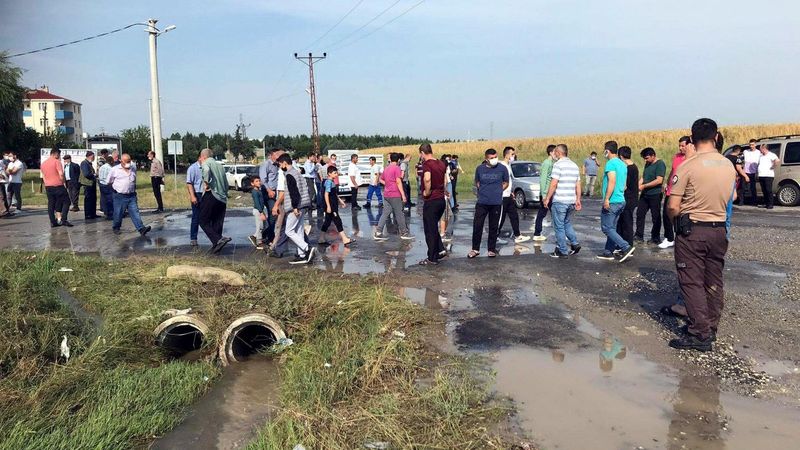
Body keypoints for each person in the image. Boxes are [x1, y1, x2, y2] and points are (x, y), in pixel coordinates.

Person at [666, 118, 736, 351]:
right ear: (716, 137)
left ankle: (700, 333)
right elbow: (730, 198)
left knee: (691, 281)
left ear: (692, 138)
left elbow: (673, 205)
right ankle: (711, 327)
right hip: (718, 229)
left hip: (693, 229)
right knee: (713, 280)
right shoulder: (727, 165)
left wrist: (675, 218)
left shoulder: (689, 166)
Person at [596, 142, 635, 262]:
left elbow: (612, 181)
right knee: (612, 227)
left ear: (607, 151)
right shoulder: (623, 164)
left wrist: (607, 198)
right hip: (621, 200)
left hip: (612, 201)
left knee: (606, 228)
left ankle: (626, 247)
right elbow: (624, 186)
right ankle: (608, 251)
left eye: (604, 151)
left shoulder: (611, 163)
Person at [468, 148, 509, 258]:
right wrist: (483, 191)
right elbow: (477, 182)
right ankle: (475, 249)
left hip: (496, 202)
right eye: (491, 158)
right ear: (486, 159)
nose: (494, 159)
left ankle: (491, 249)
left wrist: (498, 190)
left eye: (495, 157)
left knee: (493, 226)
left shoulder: (502, 168)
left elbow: (506, 182)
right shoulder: (480, 169)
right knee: (477, 226)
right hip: (482, 201)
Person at [543, 144, 581, 258]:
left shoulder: (558, 165)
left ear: (558, 153)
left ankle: (562, 250)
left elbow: (554, 183)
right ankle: (574, 243)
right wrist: (578, 199)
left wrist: (547, 198)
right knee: (566, 223)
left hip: (560, 200)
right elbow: (578, 184)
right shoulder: (574, 165)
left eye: (555, 152)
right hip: (571, 201)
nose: (554, 154)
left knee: (559, 226)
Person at [276, 154, 315, 264]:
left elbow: (294, 192)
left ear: (284, 163)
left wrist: (294, 207)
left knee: (289, 231)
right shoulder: (297, 172)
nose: (280, 166)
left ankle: (307, 248)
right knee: (299, 230)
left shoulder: (289, 174)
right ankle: (302, 255)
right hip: (304, 204)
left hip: (297, 206)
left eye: (280, 164)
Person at [658, 137, 691, 249]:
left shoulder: (691, 158)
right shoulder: (676, 157)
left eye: (683, 145)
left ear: (689, 145)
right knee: (666, 214)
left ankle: (681, 238)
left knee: (681, 215)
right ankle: (669, 238)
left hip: (683, 191)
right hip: (671, 189)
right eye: (679, 145)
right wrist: (667, 183)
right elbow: (673, 171)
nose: (681, 148)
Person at [107, 153, 151, 236]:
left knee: (135, 212)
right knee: (118, 213)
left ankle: (141, 228)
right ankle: (116, 227)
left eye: (129, 161)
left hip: (131, 195)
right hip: (119, 196)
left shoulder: (133, 168)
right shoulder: (115, 170)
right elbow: (109, 181)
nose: (128, 163)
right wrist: (116, 190)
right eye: (126, 161)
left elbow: (134, 179)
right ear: (121, 161)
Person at [419, 143, 447, 266]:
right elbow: (445, 180)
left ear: (422, 153)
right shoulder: (441, 163)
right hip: (441, 199)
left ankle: (432, 258)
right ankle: (440, 250)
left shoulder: (427, 164)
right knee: (434, 227)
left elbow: (427, 179)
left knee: (429, 230)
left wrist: (427, 191)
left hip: (432, 200)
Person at [198, 148, 231, 253]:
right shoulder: (220, 166)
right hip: (222, 198)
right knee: (217, 222)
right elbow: (226, 183)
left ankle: (218, 240)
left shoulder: (206, 163)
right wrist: (225, 193)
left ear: (203, 156)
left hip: (212, 194)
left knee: (203, 220)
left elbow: (206, 170)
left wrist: (206, 182)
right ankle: (216, 246)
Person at [374, 152, 412, 241]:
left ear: (390, 159)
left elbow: (380, 179)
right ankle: (404, 232)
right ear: (398, 160)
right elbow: (398, 182)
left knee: (385, 213)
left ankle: (378, 232)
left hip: (387, 194)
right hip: (395, 194)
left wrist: (387, 184)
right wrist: (403, 195)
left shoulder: (386, 168)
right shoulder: (397, 168)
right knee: (399, 213)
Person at [498, 146, 530, 243]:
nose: (514, 156)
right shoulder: (502, 166)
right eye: (512, 154)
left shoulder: (508, 166)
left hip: (508, 196)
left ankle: (517, 235)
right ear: (507, 155)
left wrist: (511, 191)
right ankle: (494, 236)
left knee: (514, 216)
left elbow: (509, 181)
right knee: (501, 218)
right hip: (502, 196)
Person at [635, 147, 666, 244]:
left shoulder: (660, 164)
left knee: (655, 216)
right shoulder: (647, 164)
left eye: (647, 158)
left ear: (653, 156)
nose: (645, 160)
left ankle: (655, 237)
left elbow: (659, 180)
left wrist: (644, 186)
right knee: (640, 214)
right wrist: (638, 185)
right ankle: (639, 235)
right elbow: (643, 177)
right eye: (644, 158)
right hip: (645, 194)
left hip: (655, 194)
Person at [320, 165, 354, 245]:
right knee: (337, 221)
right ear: (329, 174)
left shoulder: (331, 182)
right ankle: (344, 239)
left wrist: (341, 201)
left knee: (327, 222)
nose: (336, 174)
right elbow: (326, 194)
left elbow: (334, 194)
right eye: (335, 173)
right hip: (331, 206)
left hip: (333, 205)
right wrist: (328, 206)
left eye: (336, 173)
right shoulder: (328, 182)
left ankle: (321, 238)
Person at [259, 148, 284, 246]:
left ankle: (267, 234)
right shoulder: (266, 164)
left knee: (278, 214)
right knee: (273, 213)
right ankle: (269, 236)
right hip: (268, 192)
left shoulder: (278, 165)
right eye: (277, 154)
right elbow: (263, 179)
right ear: (272, 155)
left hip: (277, 192)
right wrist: (269, 190)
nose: (279, 157)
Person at [42, 147, 71, 227]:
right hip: (58, 185)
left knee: (51, 203)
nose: (59, 156)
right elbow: (61, 174)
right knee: (66, 201)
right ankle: (63, 219)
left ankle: (53, 221)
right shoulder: (56, 162)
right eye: (59, 154)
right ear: (56, 154)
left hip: (48, 186)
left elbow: (43, 176)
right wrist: (63, 182)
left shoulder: (43, 163)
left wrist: (47, 183)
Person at [616, 146, 639, 247]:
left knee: (627, 223)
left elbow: (624, 186)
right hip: (632, 198)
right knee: (622, 222)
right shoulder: (634, 166)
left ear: (621, 157)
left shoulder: (627, 169)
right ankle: (620, 244)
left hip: (628, 198)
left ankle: (628, 245)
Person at [533, 145, 556, 241]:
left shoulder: (552, 163)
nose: (556, 154)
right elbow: (543, 180)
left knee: (545, 213)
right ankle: (537, 233)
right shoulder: (547, 163)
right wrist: (544, 195)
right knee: (545, 213)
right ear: (550, 152)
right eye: (555, 152)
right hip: (546, 194)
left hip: (549, 193)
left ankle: (537, 233)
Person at [185, 153, 204, 246]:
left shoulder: (207, 167)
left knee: (208, 217)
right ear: (199, 157)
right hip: (197, 193)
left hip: (206, 194)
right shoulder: (192, 168)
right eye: (204, 158)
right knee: (196, 217)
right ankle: (193, 238)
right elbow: (189, 183)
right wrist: (192, 196)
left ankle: (215, 238)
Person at [757, 144, 780, 209]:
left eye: (761, 149)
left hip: (768, 175)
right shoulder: (760, 156)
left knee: (768, 190)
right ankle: (766, 203)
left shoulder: (771, 154)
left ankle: (770, 204)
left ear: (764, 148)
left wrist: (773, 166)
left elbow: (777, 161)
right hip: (761, 175)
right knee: (764, 190)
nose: (760, 150)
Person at [249, 176, 267, 249]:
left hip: (261, 210)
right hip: (258, 210)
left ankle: (255, 237)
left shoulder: (259, 191)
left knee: (263, 225)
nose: (259, 182)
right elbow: (257, 203)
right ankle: (259, 242)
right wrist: (261, 213)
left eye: (259, 181)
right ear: (252, 183)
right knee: (260, 226)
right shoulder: (254, 192)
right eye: (256, 181)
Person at [80, 151, 99, 219]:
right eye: (93, 156)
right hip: (87, 184)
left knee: (93, 199)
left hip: (91, 183)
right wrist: (94, 175)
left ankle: (93, 213)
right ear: (90, 156)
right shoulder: (84, 163)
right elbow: (86, 174)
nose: (94, 158)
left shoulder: (89, 163)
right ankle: (88, 214)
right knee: (88, 199)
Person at [742, 139, 760, 205]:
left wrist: (757, 172)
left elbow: (759, 163)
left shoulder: (758, 153)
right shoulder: (745, 151)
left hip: (753, 172)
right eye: (750, 145)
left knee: (753, 188)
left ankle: (754, 202)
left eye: (752, 145)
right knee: (743, 187)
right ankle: (742, 201)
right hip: (745, 172)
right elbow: (742, 160)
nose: (751, 146)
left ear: (755, 145)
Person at [98, 155, 115, 220]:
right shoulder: (110, 168)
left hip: (101, 184)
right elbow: (111, 177)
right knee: (110, 200)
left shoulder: (101, 167)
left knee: (104, 199)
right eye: (112, 161)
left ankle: (105, 212)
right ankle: (110, 214)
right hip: (107, 185)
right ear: (110, 161)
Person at [0, 151, 11, 216]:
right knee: (2, 197)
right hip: (1, 181)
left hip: (2, 181)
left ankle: (6, 211)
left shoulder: (1, 162)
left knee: (3, 196)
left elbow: (3, 169)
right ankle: (3, 211)